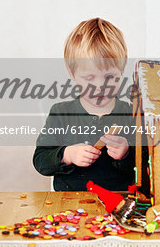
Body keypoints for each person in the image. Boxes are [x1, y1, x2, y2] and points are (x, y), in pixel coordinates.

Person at [33, 17, 135, 191]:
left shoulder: (131, 113)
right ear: (72, 74)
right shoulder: (61, 113)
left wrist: (126, 154)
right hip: (68, 204)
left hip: (119, 203)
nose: (100, 86)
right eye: (89, 78)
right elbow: (41, 161)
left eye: (110, 77)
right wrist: (67, 155)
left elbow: (148, 164)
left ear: (122, 71)